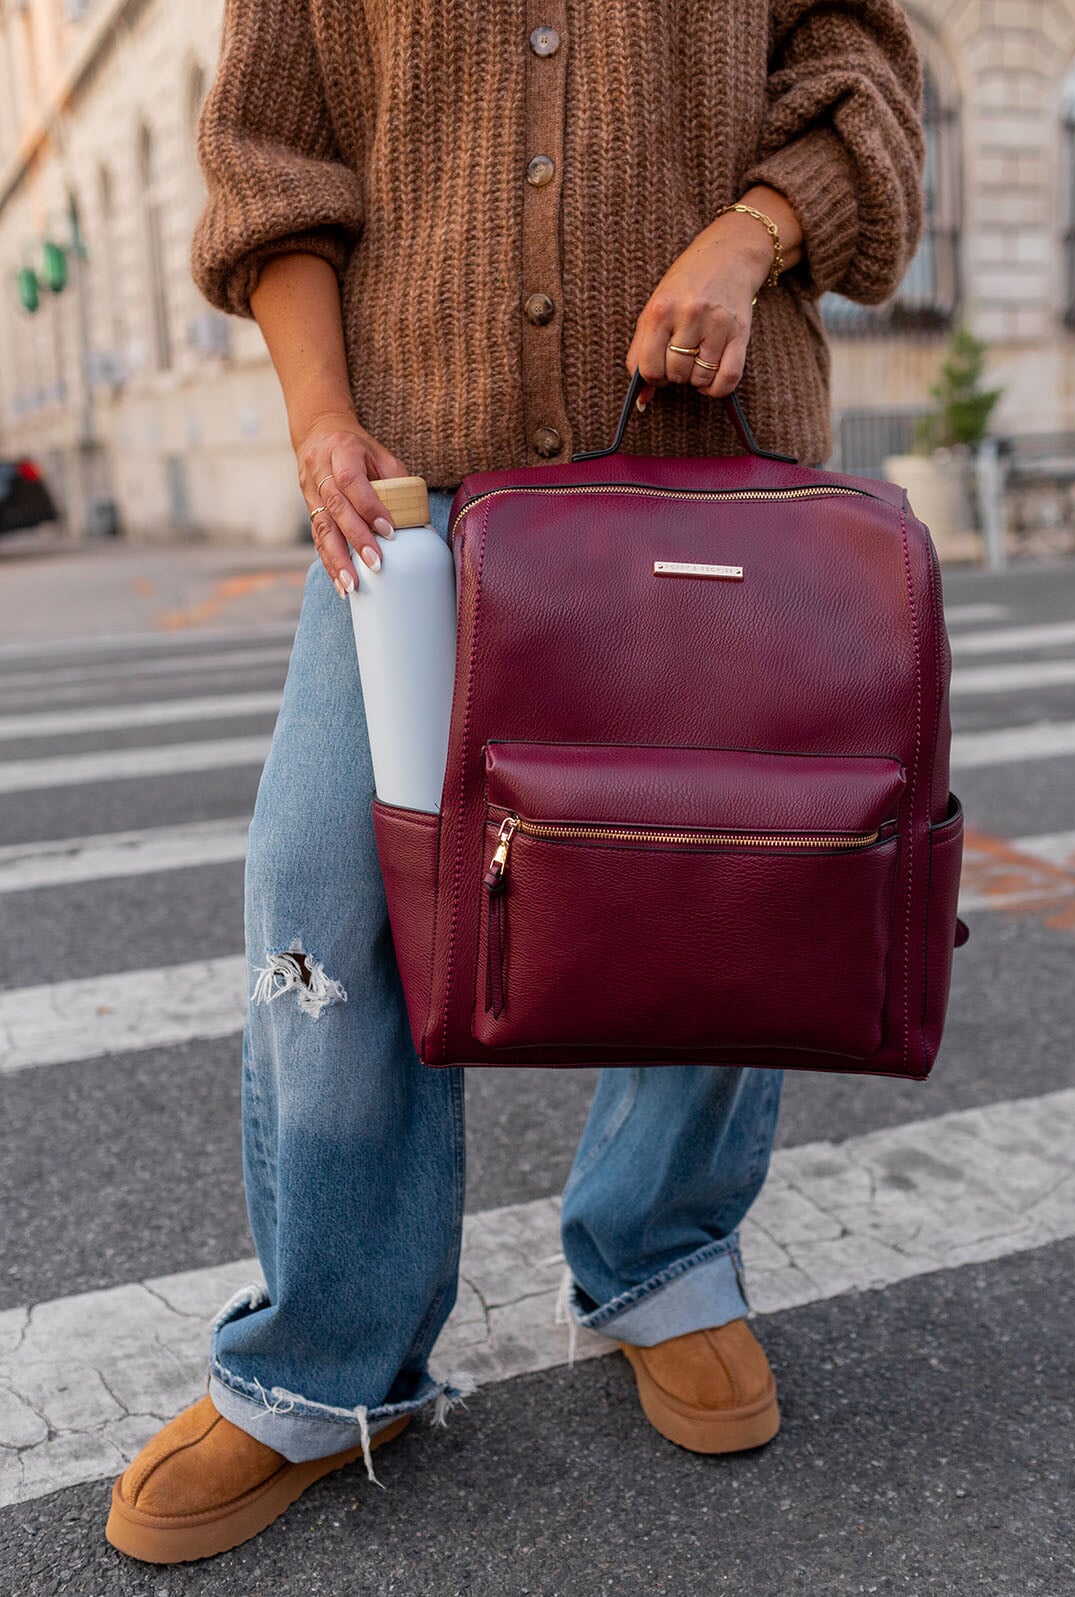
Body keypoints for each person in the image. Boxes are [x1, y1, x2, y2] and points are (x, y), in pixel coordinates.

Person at [104, 0, 924, 1565]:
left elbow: (866, 79)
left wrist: (753, 236)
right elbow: (272, 158)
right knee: (328, 890)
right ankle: (328, 1359)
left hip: (706, 464)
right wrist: (319, 412)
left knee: (716, 876)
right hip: (413, 498)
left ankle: (661, 1259)